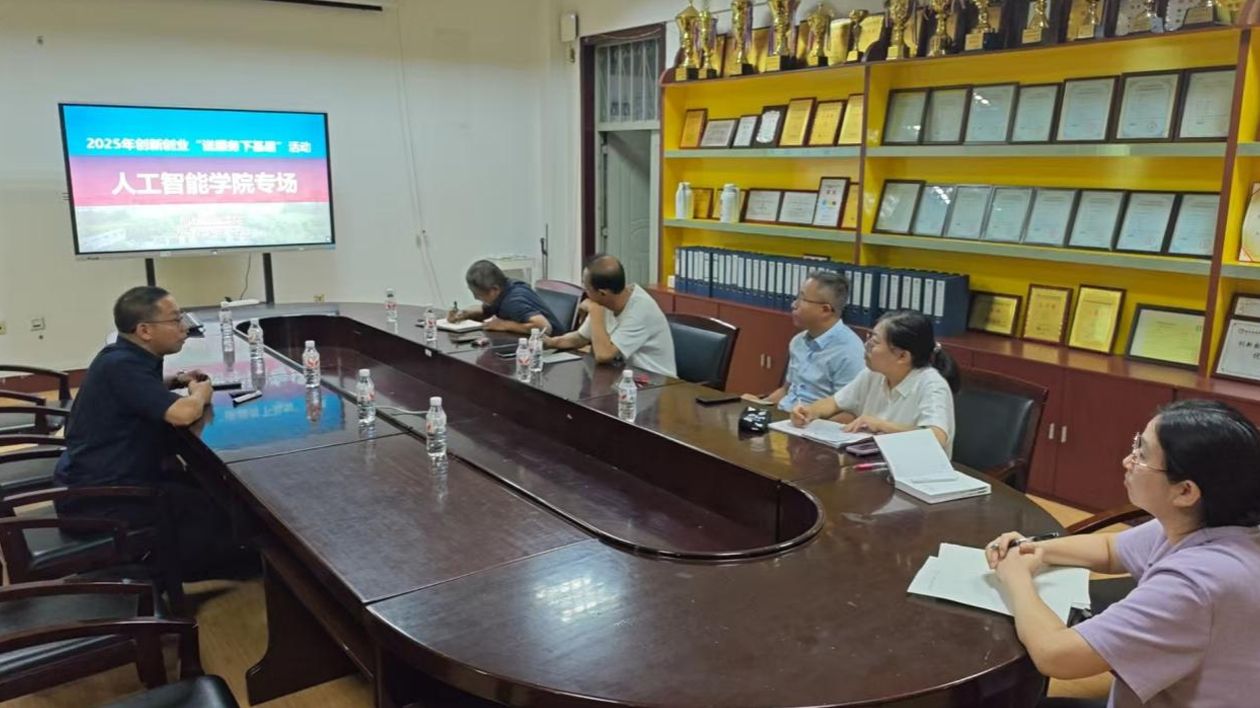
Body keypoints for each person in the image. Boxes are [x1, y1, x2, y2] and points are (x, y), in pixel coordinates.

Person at [987, 400, 1260, 708]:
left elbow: (1055, 654)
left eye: (1142, 455)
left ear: (1185, 491)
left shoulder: (1196, 584)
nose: (1127, 461)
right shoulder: (1210, 522)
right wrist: (1034, 548)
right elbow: (1110, 549)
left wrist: (1017, 579)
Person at [55, 286, 251, 580]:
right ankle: (176, 571)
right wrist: (200, 393)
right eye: (176, 320)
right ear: (145, 330)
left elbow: (140, 389)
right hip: (101, 498)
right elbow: (183, 414)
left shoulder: (121, 356)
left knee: (204, 487)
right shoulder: (122, 367)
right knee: (207, 504)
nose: (184, 328)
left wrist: (176, 380)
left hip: (93, 476)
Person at [789, 309, 959, 453]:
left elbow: (936, 437)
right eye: (869, 338)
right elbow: (834, 403)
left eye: (874, 343)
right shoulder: (873, 374)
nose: (866, 347)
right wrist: (810, 412)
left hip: (918, 474)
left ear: (902, 356)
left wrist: (881, 425)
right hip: (875, 465)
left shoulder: (931, 385)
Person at [746, 271, 864, 412]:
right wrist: (759, 405)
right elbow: (787, 391)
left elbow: (849, 413)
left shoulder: (850, 353)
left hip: (812, 422)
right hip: (784, 417)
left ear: (825, 310)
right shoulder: (798, 341)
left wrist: (805, 419)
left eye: (802, 299)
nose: (793, 304)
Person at [543, 254, 677, 378]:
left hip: (656, 383)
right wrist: (551, 342)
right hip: (623, 377)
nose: (585, 292)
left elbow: (603, 355)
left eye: (587, 288)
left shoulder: (640, 309)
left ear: (602, 293)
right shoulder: (605, 302)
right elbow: (581, 337)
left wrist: (594, 310)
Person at [448, 260, 564, 335]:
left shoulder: (514, 301)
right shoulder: (504, 289)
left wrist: (504, 325)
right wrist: (464, 314)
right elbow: (485, 310)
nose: (475, 298)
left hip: (553, 349)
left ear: (494, 289)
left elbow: (544, 327)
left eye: (479, 294)